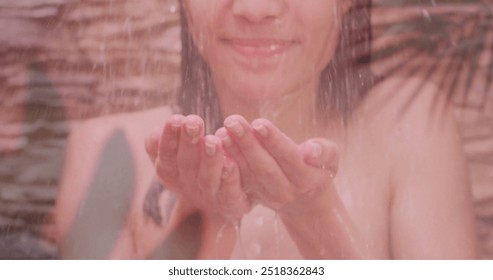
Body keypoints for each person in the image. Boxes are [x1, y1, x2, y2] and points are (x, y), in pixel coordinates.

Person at [55, 0, 478, 259]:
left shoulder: (407, 126)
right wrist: (205, 223)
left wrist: (314, 215)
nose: (255, 8)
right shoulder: (105, 153)